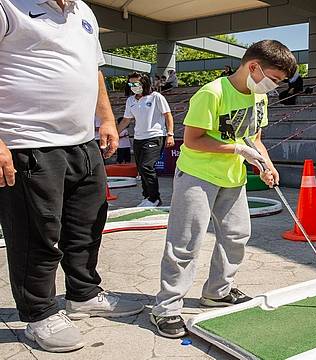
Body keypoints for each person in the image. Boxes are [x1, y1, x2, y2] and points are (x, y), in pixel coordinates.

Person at [0, 0, 143, 353]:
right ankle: (39, 312)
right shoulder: (8, 6)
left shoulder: (82, 11)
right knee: (38, 234)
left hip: (81, 142)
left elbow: (93, 70)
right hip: (28, 141)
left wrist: (107, 119)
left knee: (86, 226)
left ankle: (83, 295)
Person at [149, 39, 296, 338]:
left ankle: (217, 291)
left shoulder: (259, 98)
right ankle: (166, 307)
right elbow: (192, 140)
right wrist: (237, 152)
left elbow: (254, 138)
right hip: (197, 175)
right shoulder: (212, 93)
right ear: (254, 67)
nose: (274, 87)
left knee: (237, 235)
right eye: (273, 79)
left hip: (232, 178)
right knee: (185, 242)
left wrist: (266, 165)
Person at [117, 73, 175, 207]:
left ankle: (155, 198)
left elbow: (168, 115)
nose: (133, 87)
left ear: (144, 83)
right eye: (131, 84)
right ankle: (147, 197)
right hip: (138, 138)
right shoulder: (130, 100)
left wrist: (170, 134)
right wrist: (114, 134)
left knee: (146, 166)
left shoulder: (156, 97)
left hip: (155, 136)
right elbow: (126, 120)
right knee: (141, 169)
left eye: (136, 84)